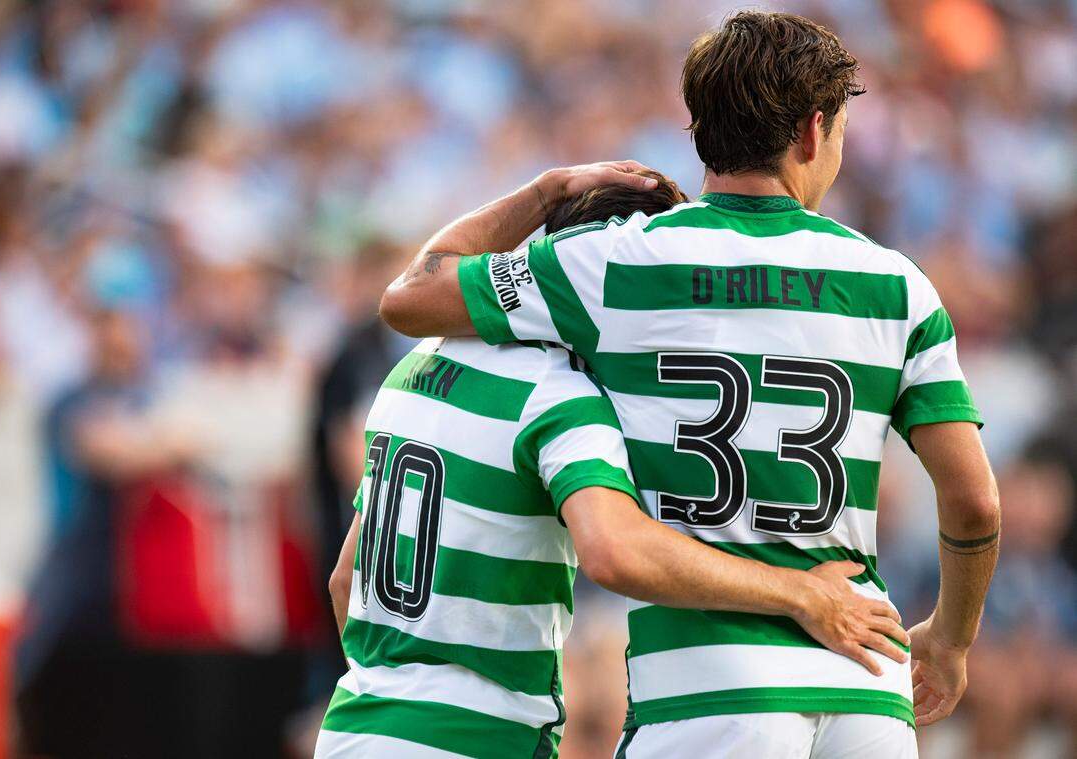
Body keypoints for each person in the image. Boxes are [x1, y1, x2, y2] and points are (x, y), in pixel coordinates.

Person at [379, 12, 1001, 758]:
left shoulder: (614, 263)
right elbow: (973, 498)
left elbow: (413, 296)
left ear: (702, 128)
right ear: (812, 131)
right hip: (867, 677)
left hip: (708, 689)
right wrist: (952, 638)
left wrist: (547, 191)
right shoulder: (898, 285)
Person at [316, 170, 911, 758]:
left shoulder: (410, 374)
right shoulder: (558, 395)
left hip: (356, 724)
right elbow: (614, 550)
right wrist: (799, 593)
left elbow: (347, 582)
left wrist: (544, 190)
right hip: (478, 738)